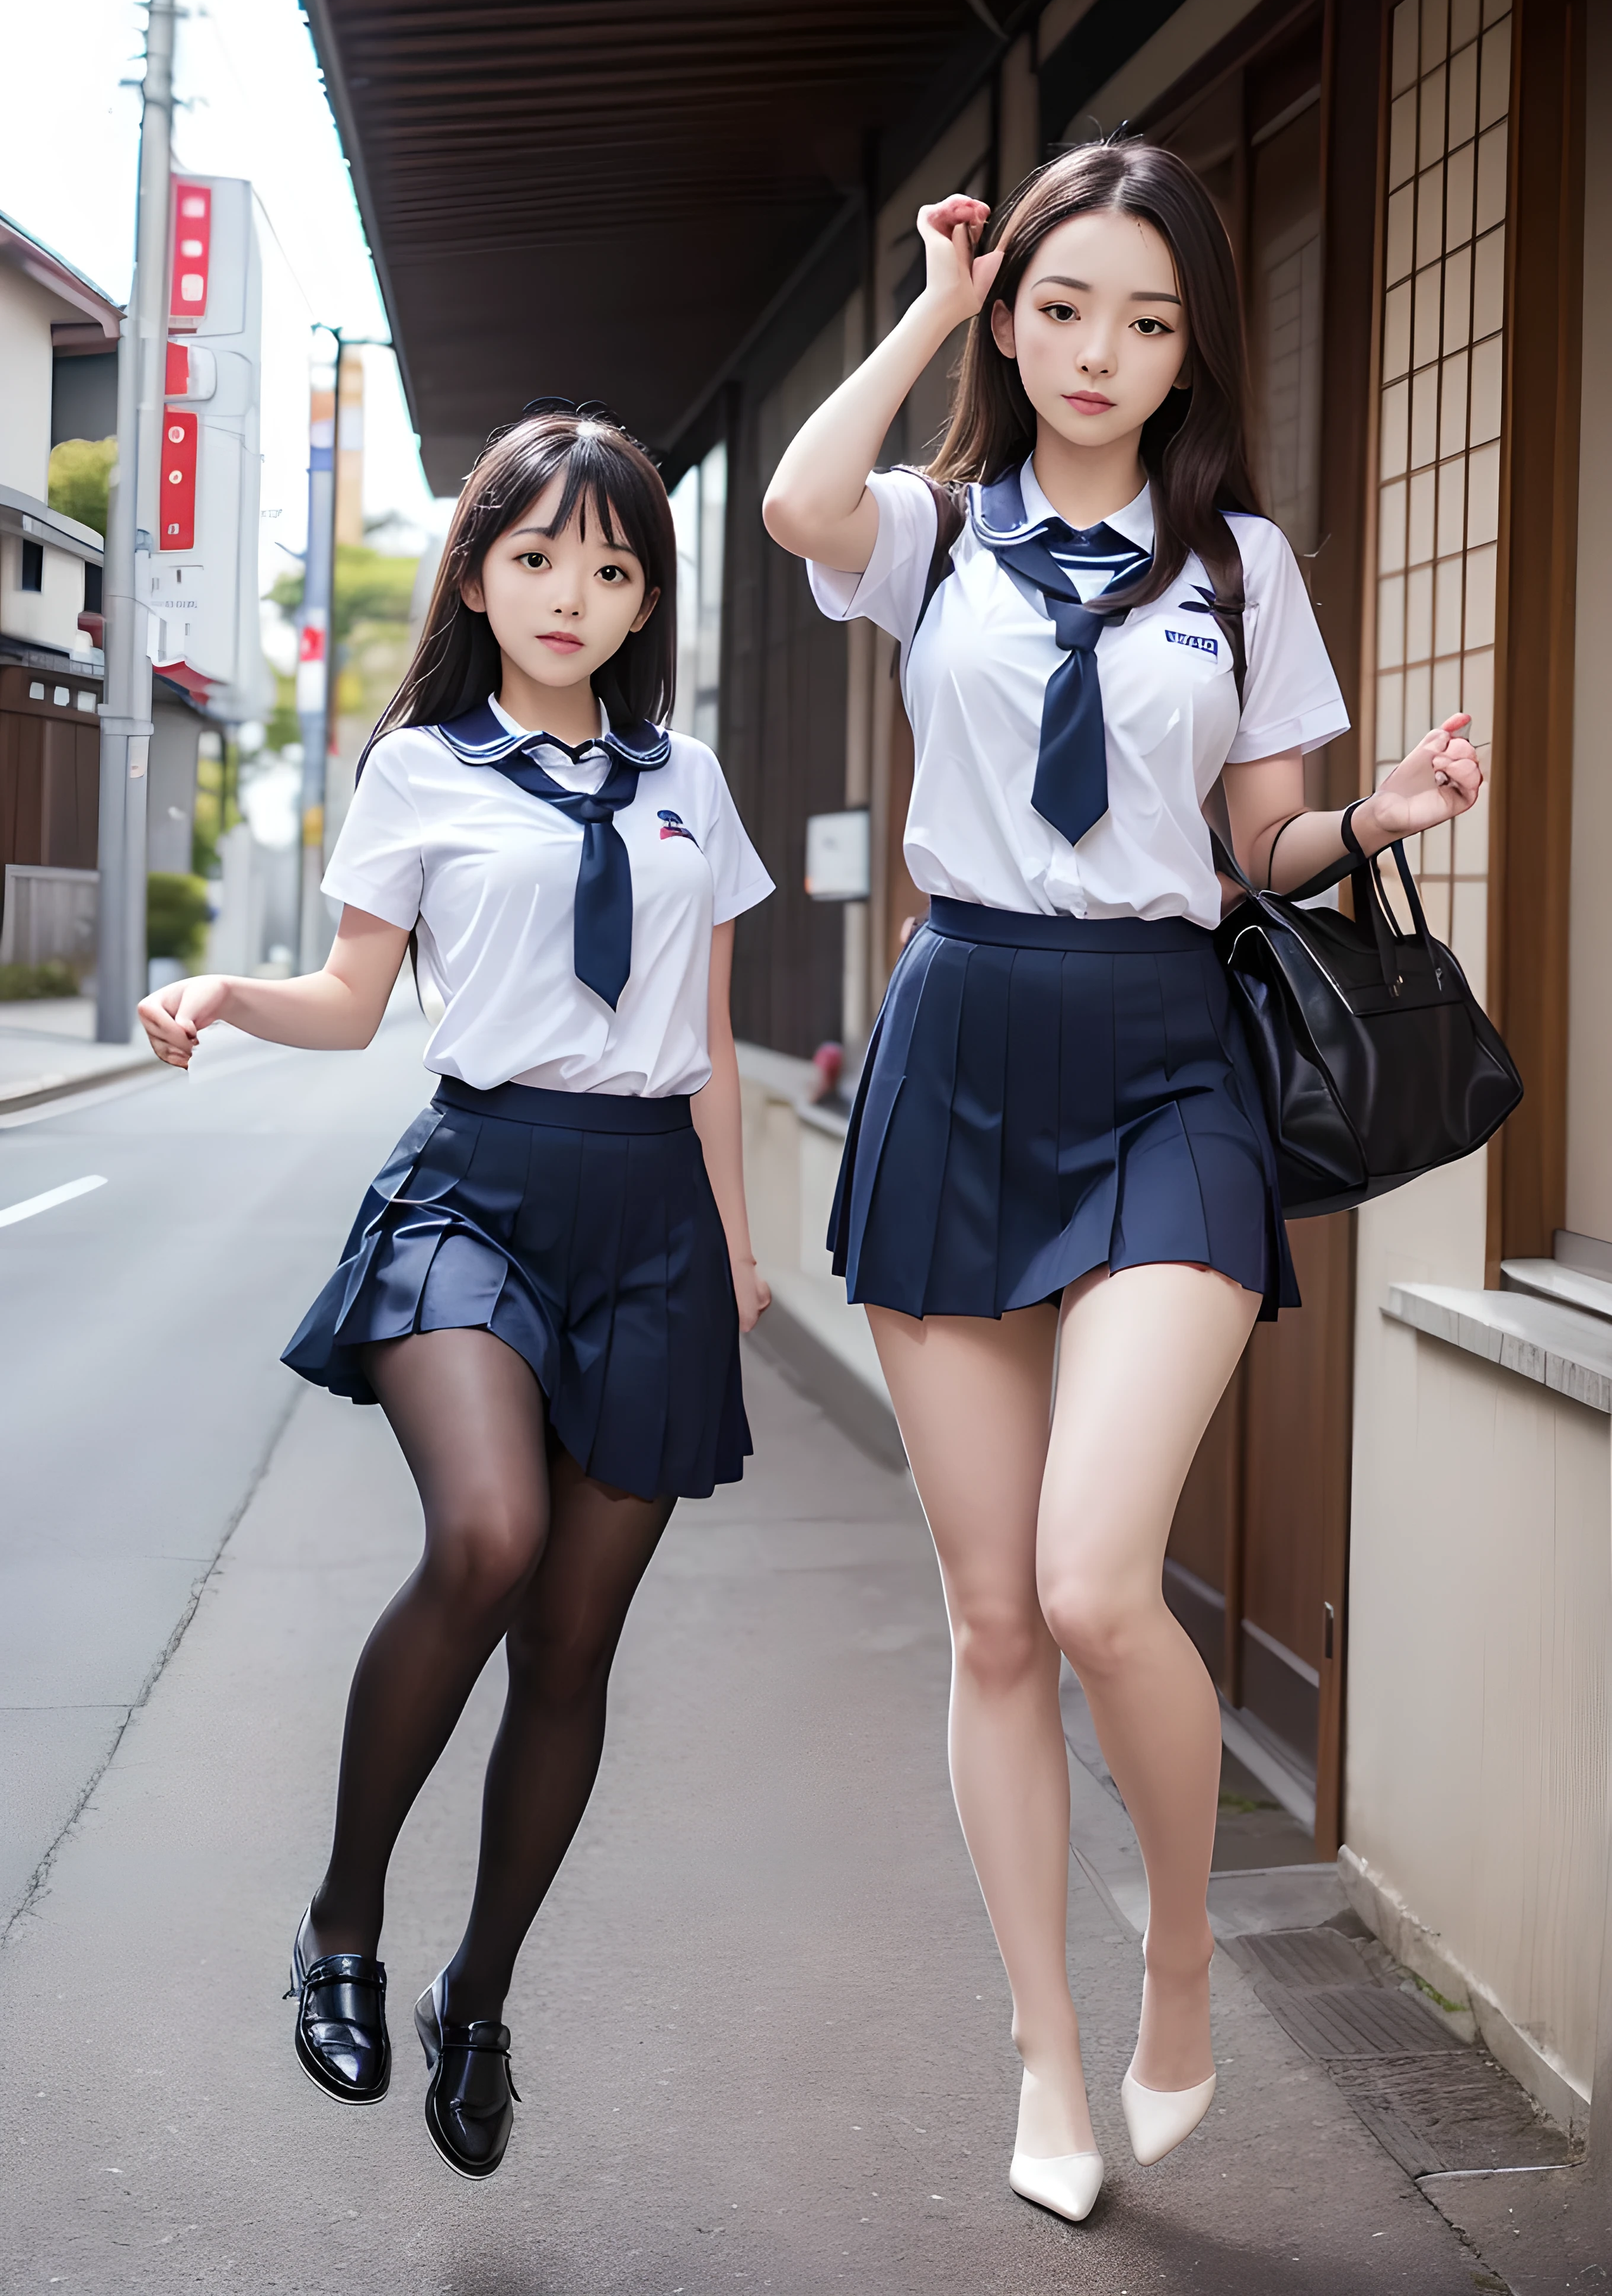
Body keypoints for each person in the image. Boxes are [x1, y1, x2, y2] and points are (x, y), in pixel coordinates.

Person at [762, 140, 1482, 2225]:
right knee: (995, 1621)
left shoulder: (1242, 567)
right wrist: (928, 300)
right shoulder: (939, 536)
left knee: (1095, 1585)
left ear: (1193, 352)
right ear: (1015, 319)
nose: (1102, 351)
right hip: (961, 1037)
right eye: (1065, 306)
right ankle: (1048, 2056)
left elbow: (1254, 848)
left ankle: (1176, 1949)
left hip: (1169, 1061)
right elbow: (807, 500)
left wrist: (1375, 814)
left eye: (1150, 320)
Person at [139, 408, 773, 2180]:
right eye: (541, 556)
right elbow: (355, 1001)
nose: (574, 593)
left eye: (615, 564)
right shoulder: (419, 767)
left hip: (648, 1205)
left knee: (574, 1649)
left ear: (647, 597)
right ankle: (341, 1925)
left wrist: (731, 1251)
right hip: (474, 1187)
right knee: (486, 1539)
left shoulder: (689, 788)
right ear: (482, 569)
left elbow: (711, 1051)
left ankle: (475, 1995)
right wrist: (224, 997)